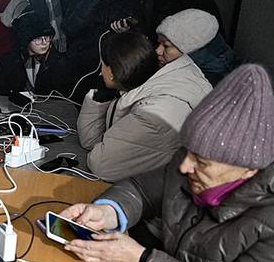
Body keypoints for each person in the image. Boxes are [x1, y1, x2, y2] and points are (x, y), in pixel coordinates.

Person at [61, 64, 274, 262]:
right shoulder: (193, 157)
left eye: (201, 162)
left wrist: (142, 259)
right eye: (188, 152)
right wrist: (108, 211)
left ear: (249, 169)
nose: (185, 166)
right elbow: (141, 189)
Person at [77, 32, 212, 182]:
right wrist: (102, 95)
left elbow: (102, 165)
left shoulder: (152, 114)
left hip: (178, 190)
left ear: (113, 72)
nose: (100, 73)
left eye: (102, 65)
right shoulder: (149, 84)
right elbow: (91, 140)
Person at [65, 0, 144, 97]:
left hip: (115, 67)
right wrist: (92, 0)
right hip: (84, 66)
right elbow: (71, 28)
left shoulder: (130, 0)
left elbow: (140, 34)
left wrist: (124, 33)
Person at [0, 10, 74, 97]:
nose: (44, 42)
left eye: (47, 37)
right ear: (26, 40)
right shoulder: (8, 61)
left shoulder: (61, 64)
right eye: (38, 38)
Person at [156, 9, 238, 85]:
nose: (158, 51)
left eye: (166, 46)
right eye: (159, 43)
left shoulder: (206, 86)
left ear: (191, 49)